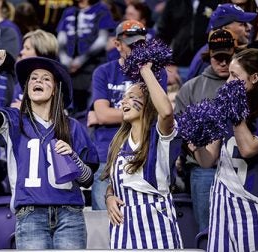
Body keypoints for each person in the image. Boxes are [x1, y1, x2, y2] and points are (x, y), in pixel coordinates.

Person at [0, 51, 99, 249]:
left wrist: (73, 158)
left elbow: (88, 179)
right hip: (30, 214)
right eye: (33, 78)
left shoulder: (73, 126)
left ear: (56, 89)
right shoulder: (14, 121)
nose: (37, 81)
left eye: (45, 78)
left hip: (70, 214)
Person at [192, 48, 258, 252]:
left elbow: (248, 149)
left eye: (235, 76)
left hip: (255, 206)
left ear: (254, 77)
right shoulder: (227, 108)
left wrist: (236, 112)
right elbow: (207, 161)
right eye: (229, 75)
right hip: (221, 203)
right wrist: (197, 141)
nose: (228, 83)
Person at [88, 19, 167, 210]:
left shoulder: (155, 72)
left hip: (144, 151)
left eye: (140, 44)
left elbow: (157, 111)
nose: (137, 50)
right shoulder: (104, 71)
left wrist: (104, 116)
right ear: (117, 44)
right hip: (106, 152)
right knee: (103, 217)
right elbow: (102, 113)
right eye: (132, 45)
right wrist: (107, 115)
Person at [103, 62, 182, 249]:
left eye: (132, 97)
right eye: (123, 98)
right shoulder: (118, 141)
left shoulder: (160, 134)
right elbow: (114, 183)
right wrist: (109, 197)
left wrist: (145, 70)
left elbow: (167, 111)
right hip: (122, 226)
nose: (123, 102)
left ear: (148, 103)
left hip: (156, 221)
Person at [175, 28, 237, 232]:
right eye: (217, 57)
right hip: (204, 169)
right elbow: (180, 128)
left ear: (234, 54)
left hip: (239, 166)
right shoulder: (192, 88)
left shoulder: (244, 86)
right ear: (209, 55)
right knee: (209, 232)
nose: (223, 63)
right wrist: (192, 151)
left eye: (227, 57)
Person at [57, 0, 116, 117]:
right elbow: (61, 38)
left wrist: (81, 60)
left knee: (89, 107)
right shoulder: (68, 11)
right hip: (69, 67)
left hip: (92, 66)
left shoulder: (101, 9)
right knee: (68, 105)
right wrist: (64, 59)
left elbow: (102, 40)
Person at [187, 3, 256, 80]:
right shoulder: (209, 58)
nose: (249, 28)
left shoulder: (209, 50)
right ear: (224, 29)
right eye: (242, 24)